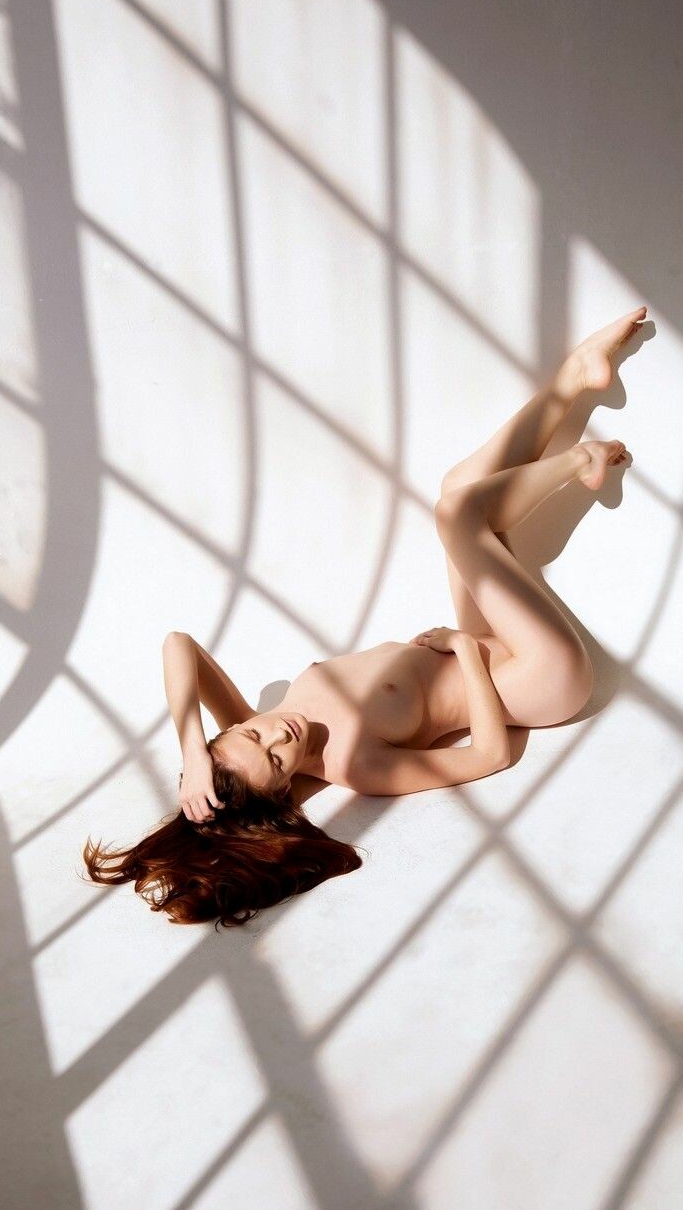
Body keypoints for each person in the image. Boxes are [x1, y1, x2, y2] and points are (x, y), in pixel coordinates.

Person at [83, 308, 646, 926]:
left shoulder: (254, 721)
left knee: (457, 487)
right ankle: (578, 462)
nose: (280, 735)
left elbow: (179, 645)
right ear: (283, 791)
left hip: (492, 640)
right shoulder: (357, 766)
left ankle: (575, 378)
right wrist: (463, 651)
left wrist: (193, 748)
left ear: (231, 729)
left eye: (253, 736)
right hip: (540, 679)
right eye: (277, 761)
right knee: (458, 516)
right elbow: (490, 755)